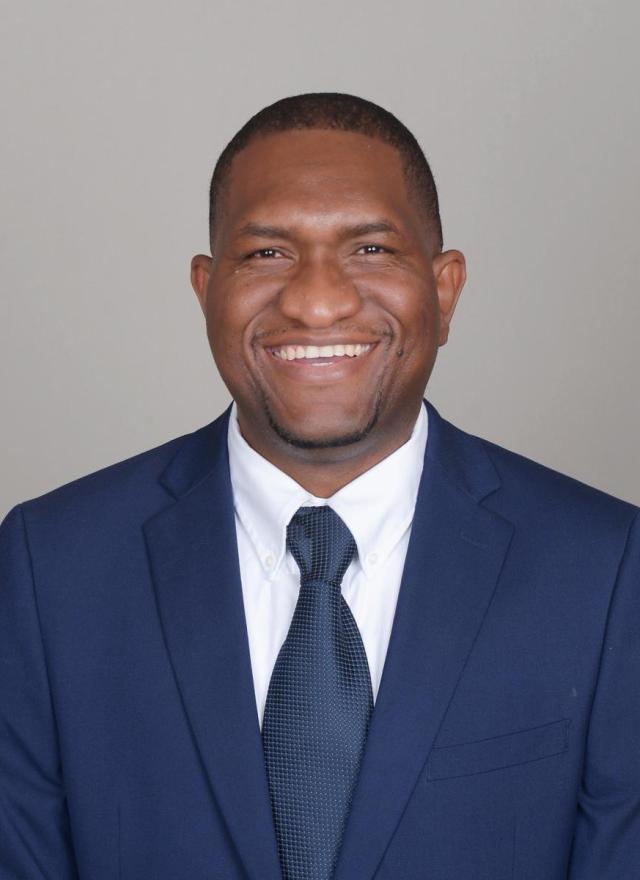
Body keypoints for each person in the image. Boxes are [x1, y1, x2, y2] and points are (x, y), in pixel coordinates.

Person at [0, 92, 638, 880]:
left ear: (445, 291)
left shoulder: (606, 569)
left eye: (370, 248)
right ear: (206, 290)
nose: (316, 301)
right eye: (267, 253)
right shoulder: (50, 565)